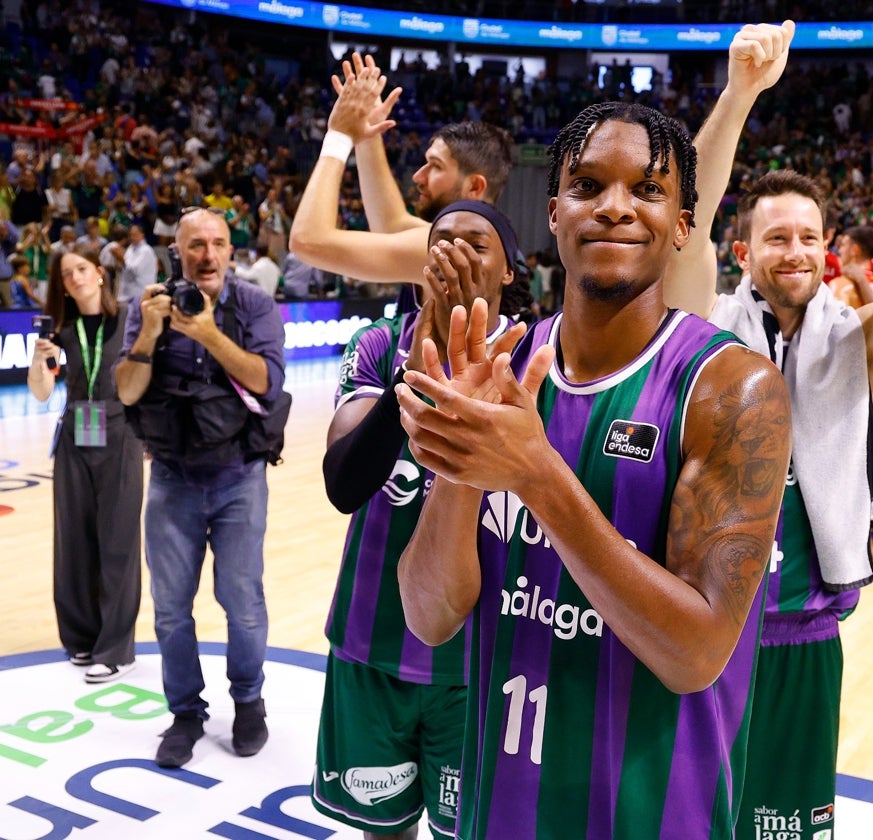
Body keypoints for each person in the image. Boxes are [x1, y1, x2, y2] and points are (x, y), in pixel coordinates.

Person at [395, 100, 792, 838]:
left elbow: (697, 653)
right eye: (587, 186)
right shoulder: (499, 368)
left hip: (652, 816)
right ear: (554, 212)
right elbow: (429, 614)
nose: (614, 207)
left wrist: (537, 475)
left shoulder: (733, 390)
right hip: (494, 810)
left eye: (646, 189)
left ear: (681, 223)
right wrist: (459, 468)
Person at [662, 22, 873, 838]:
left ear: (828, 247)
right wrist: (738, 95)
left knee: (786, 827)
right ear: (744, 249)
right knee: (685, 820)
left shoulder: (858, 339)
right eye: (777, 236)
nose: (795, 250)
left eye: (809, 236)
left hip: (803, 628)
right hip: (696, 627)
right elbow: (683, 224)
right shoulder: (702, 321)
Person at [298, 63, 533, 840]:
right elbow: (342, 483)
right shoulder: (381, 341)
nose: (415, 176)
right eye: (438, 243)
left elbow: (317, 236)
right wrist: (363, 139)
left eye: (428, 163)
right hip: (373, 639)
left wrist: (345, 138)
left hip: (478, 659)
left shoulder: (535, 362)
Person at [114, 207, 287, 769]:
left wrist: (208, 332)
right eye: (195, 246)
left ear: (230, 251)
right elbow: (128, 392)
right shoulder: (151, 308)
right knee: (169, 611)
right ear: (177, 252)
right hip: (171, 477)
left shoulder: (255, 305)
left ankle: (248, 701)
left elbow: (266, 382)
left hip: (239, 476)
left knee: (243, 605)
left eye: (217, 244)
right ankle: (185, 712)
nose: (207, 255)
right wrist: (151, 334)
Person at [290, 53, 514, 291]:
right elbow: (390, 225)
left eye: (435, 166)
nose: (418, 176)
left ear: (474, 187)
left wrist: (339, 136)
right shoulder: (492, 241)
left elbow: (307, 241)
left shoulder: (449, 247)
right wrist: (368, 134)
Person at [27, 248, 143, 683]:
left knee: (118, 542)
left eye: (80, 269)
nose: (74, 278)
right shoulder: (61, 330)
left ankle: (117, 649)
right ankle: (80, 639)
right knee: (73, 543)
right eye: (65, 274)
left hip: (120, 432)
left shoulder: (130, 318)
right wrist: (40, 361)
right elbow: (40, 392)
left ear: (99, 273)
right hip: (76, 431)